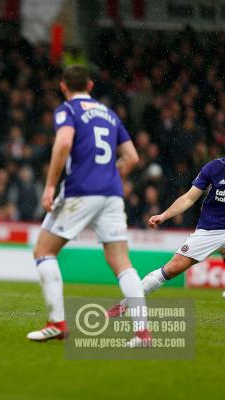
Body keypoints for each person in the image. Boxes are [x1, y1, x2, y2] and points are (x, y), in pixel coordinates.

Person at [27, 65, 150, 347]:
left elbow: (63, 144)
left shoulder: (67, 110)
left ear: (63, 87)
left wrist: (49, 186)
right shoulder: (109, 114)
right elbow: (131, 157)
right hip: (112, 193)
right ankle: (142, 333)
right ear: (91, 85)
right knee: (121, 262)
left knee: (43, 251)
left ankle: (57, 323)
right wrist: (108, 177)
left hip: (80, 191)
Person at [108, 158, 225, 315]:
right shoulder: (215, 167)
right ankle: (125, 305)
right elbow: (189, 198)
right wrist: (163, 216)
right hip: (212, 229)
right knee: (172, 268)